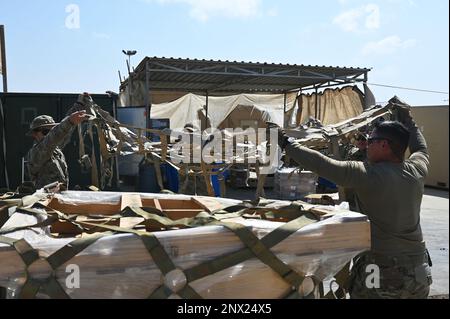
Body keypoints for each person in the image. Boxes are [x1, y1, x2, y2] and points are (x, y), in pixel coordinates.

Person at [275, 99, 432, 299]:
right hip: (419, 272)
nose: (366, 144)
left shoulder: (367, 174)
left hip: (381, 272)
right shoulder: (417, 169)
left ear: (384, 145)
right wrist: (408, 119)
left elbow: (323, 165)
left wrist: (287, 143)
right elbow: (421, 147)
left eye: (371, 140)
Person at [26, 111, 89, 190]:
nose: (50, 134)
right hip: (45, 199)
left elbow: (64, 133)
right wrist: (69, 121)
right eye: (46, 131)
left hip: (58, 197)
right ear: (35, 134)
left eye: (52, 130)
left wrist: (79, 104)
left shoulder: (55, 148)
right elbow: (53, 138)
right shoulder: (36, 152)